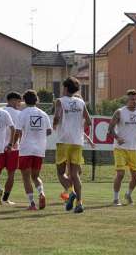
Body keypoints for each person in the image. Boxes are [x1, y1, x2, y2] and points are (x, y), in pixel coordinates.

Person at [53, 77, 92, 214]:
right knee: (75, 174)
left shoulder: (60, 101)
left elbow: (57, 116)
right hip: (77, 141)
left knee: (60, 172)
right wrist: (80, 130)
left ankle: (70, 192)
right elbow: (89, 121)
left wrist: (54, 125)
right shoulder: (81, 102)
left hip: (64, 140)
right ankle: (80, 203)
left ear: (65, 88)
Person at [107, 89, 136, 206]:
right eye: (132, 99)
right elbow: (110, 129)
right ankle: (115, 198)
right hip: (120, 148)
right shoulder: (119, 112)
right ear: (127, 100)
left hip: (134, 149)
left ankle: (128, 194)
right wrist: (117, 138)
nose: (135, 102)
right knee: (120, 174)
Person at [15, 90, 52, 210]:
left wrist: (12, 143)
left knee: (26, 177)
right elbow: (49, 131)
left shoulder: (22, 114)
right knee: (35, 176)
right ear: (37, 100)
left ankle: (32, 204)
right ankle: (41, 193)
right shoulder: (43, 114)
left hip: (26, 149)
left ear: (24, 101)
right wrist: (39, 134)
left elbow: (18, 131)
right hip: (40, 149)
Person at [1, 92, 22, 205]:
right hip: (13, 148)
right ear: (12, 100)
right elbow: (20, 131)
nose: (19, 104)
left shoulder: (0, 111)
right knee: (11, 175)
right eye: (18, 101)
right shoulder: (19, 114)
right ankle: (5, 199)